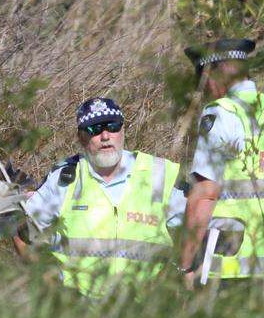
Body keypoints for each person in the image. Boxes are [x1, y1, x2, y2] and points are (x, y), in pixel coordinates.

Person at [20, 98, 187, 296]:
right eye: (94, 129)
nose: (105, 136)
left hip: (147, 309)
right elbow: (22, 230)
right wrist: (49, 285)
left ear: (123, 130)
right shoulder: (65, 178)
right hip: (78, 312)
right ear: (81, 137)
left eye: (113, 126)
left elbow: (200, 222)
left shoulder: (159, 173)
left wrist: (181, 275)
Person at [178, 39, 264, 289]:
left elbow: (206, 195)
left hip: (224, 271)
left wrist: (184, 264)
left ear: (213, 75)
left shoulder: (222, 113)